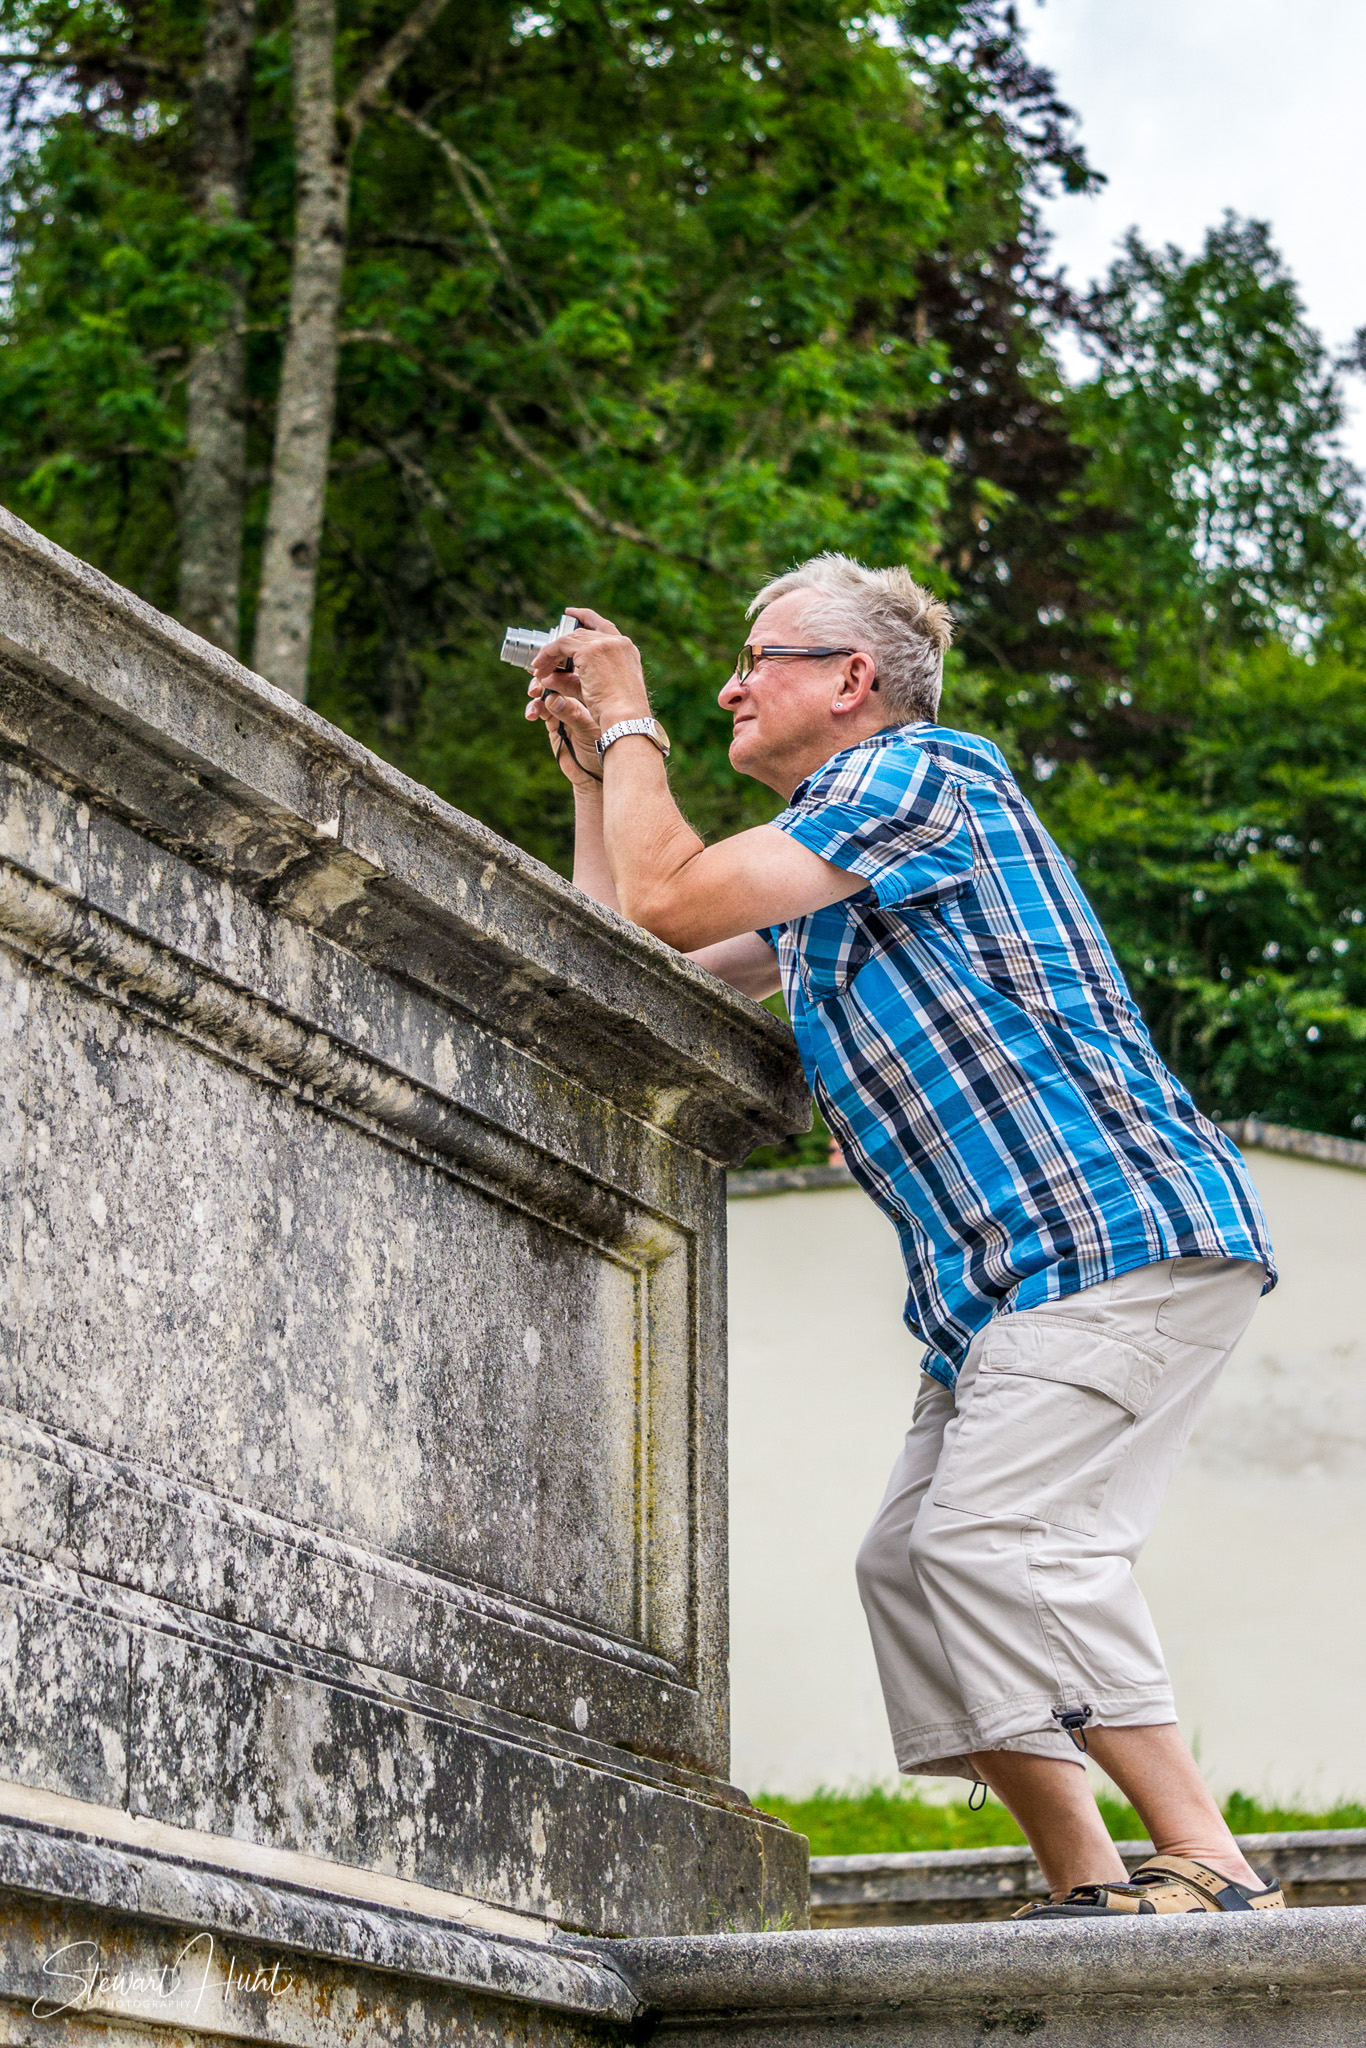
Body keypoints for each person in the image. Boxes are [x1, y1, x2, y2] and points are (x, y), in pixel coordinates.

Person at [525, 554, 1283, 1919]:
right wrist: (594, 777)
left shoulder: (920, 776)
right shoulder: (831, 866)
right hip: (1003, 1289)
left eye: (760, 660)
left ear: (851, 682)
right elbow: (640, 954)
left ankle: (1213, 1867)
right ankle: (1088, 1887)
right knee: (910, 1561)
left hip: (1105, 1232)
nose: (729, 687)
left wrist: (633, 714)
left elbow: (675, 896)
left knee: (994, 1541)